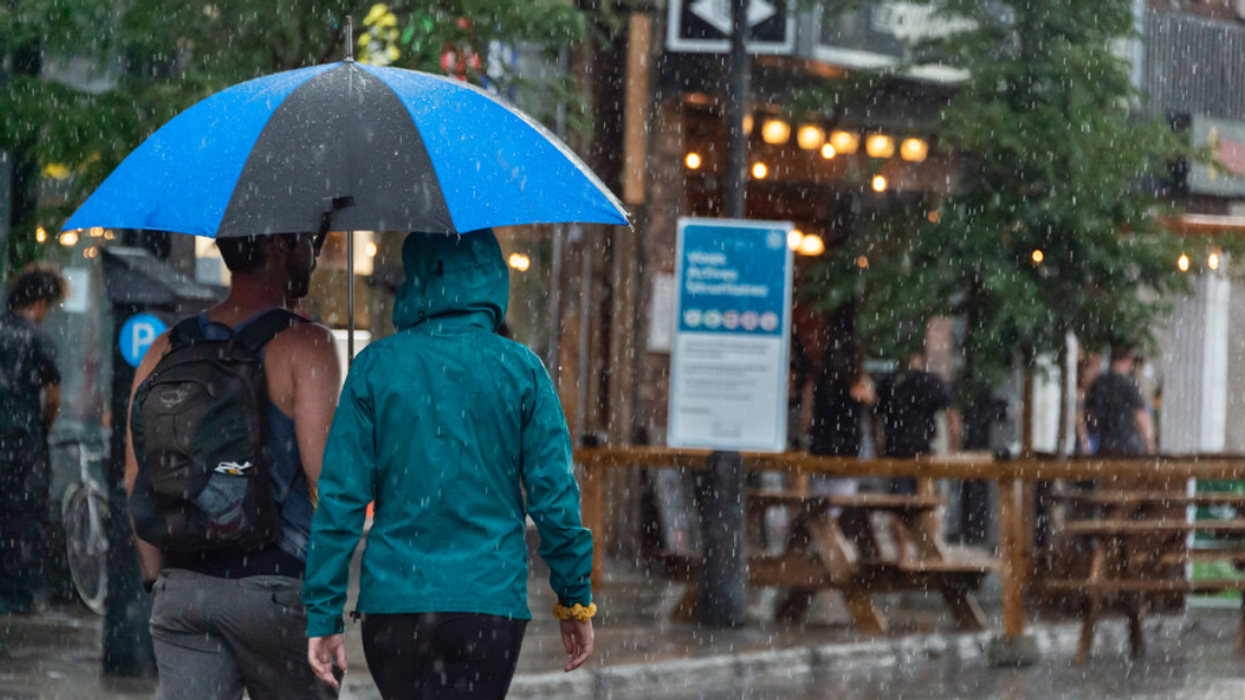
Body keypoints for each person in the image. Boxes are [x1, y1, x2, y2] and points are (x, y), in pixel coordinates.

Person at [303, 230, 595, 700]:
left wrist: (324, 612)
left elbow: (340, 501)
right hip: (486, 604)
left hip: (394, 607)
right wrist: (575, 601)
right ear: (492, 276)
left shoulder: (375, 368)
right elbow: (555, 499)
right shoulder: (522, 370)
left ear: (415, 279)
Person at [124, 232, 341, 700]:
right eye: (309, 240)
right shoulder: (308, 345)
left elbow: (134, 481)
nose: (315, 252)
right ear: (282, 247)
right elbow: (326, 479)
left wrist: (156, 580)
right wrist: (329, 603)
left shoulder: (163, 350)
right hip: (276, 589)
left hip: (182, 589)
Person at [0, 266, 65, 614]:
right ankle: (15, 594)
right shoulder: (38, 339)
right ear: (40, 301)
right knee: (22, 516)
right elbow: (53, 397)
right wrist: (42, 427)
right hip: (23, 440)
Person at [874, 350, 959, 493]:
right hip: (922, 452)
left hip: (896, 452)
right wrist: (954, 449)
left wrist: (878, 447)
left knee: (901, 504)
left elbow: (875, 416)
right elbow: (952, 417)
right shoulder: (930, 382)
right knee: (926, 501)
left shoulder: (891, 383)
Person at [1085, 345, 1155, 456]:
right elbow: (1141, 416)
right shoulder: (1128, 384)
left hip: (1105, 445)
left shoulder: (1098, 383)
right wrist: (1150, 444)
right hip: (1129, 446)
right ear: (1128, 359)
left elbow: (1090, 415)